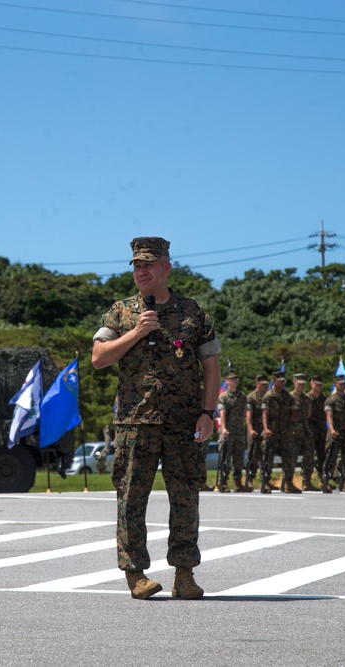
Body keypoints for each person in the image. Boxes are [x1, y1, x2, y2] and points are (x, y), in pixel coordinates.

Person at [92, 236, 220, 600]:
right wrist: (136, 332)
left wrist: (208, 412)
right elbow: (99, 357)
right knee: (131, 498)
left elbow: (211, 367)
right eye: (136, 265)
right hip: (136, 422)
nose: (141, 271)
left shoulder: (193, 312)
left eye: (148, 264)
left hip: (183, 423)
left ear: (166, 267)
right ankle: (136, 575)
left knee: (185, 497)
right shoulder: (120, 312)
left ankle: (184, 574)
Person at [262, 371, 298, 494]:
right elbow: (264, 414)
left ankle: (289, 482)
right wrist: (266, 429)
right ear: (274, 380)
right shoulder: (268, 396)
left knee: (289, 457)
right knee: (268, 457)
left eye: (284, 381)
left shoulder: (288, 397)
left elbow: (293, 413)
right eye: (280, 381)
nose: (282, 383)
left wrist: (289, 423)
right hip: (271, 431)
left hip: (285, 432)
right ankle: (265, 481)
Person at [217, 372, 248, 492]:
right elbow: (222, 413)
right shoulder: (224, 396)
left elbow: (245, 412)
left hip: (239, 431)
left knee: (239, 458)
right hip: (228, 431)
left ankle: (237, 482)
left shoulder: (242, 396)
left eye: (236, 379)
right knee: (225, 457)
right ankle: (223, 482)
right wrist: (223, 428)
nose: (234, 381)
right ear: (227, 381)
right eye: (232, 379)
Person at [323, 375, 345, 493]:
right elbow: (329, 416)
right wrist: (332, 429)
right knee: (331, 457)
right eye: (340, 384)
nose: (343, 386)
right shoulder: (331, 400)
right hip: (335, 433)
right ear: (335, 385)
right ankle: (326, 480)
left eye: (344, 384)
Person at [244, 374, 269, 492]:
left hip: (265, 432)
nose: (264, 386)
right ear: (256, 384)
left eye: (265, 384)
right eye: (262, 384)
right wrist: (250, 430)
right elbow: (248, 416)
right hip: (254, 431)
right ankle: (249, 479)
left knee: (266, 456)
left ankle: (265, 481)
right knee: (253, 456)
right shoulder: (251, 398)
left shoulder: (268, 397)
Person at [288, 373, 312, 491]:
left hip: (305, 431)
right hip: (293, 431)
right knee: (292, 458)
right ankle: (288, 482)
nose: (301, 386)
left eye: (303, 384)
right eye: (299, 383)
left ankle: (307, 481)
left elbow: (308, 414)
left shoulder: (307, 399)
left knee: (308, 457)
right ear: (294, 383)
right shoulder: (289, 398)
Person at [304, 375, 326, 490]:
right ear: (311, 384)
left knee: (323, 457)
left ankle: (323, 480)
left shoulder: (325, 399)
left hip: (322, 432)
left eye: (320, 384)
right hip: (310, 432)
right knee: (309, 457)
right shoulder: (306, 398)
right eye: (316, 384)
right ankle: (306, 481)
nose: (319, 386)